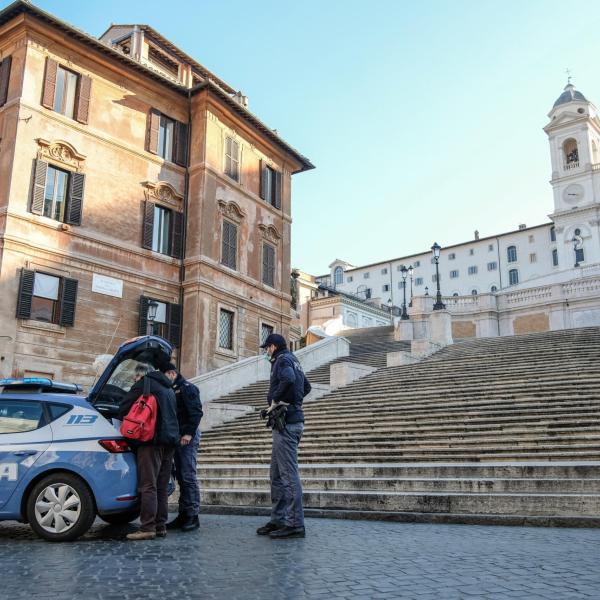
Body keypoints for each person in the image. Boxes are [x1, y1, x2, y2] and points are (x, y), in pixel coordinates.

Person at [256, 333, 311, 539]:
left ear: (272, 347)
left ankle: (295, 523)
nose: (266, 352)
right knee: (276, 474)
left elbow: (288, 379)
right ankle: (279, 519)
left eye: (266, 348)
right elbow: (306, 386)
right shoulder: (293, 359)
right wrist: (293, 401)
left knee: (287, 475)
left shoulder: (282, 359)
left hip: (287, 423)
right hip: (289, 421)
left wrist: (277, 401)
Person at [118, 366, 179, 541]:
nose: (135, 379)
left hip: (150, 440)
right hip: (170, 441)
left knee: (147, 485)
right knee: (160, 486)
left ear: (142, 374)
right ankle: (160, 526)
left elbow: (124, 408)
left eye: (136, 375)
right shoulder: (168, 387)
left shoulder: (145, 384)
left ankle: (147, 527)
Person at [162, 363, 203, 532]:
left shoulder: (187, 388)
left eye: (165, 375)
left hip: (187, 437)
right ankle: (183, 515)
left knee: (188, 476)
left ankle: (193, 515)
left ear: (172, 373)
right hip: (177, 438)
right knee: (180, 476)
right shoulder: (173, 388)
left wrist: (188, 434)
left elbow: (196, 412)